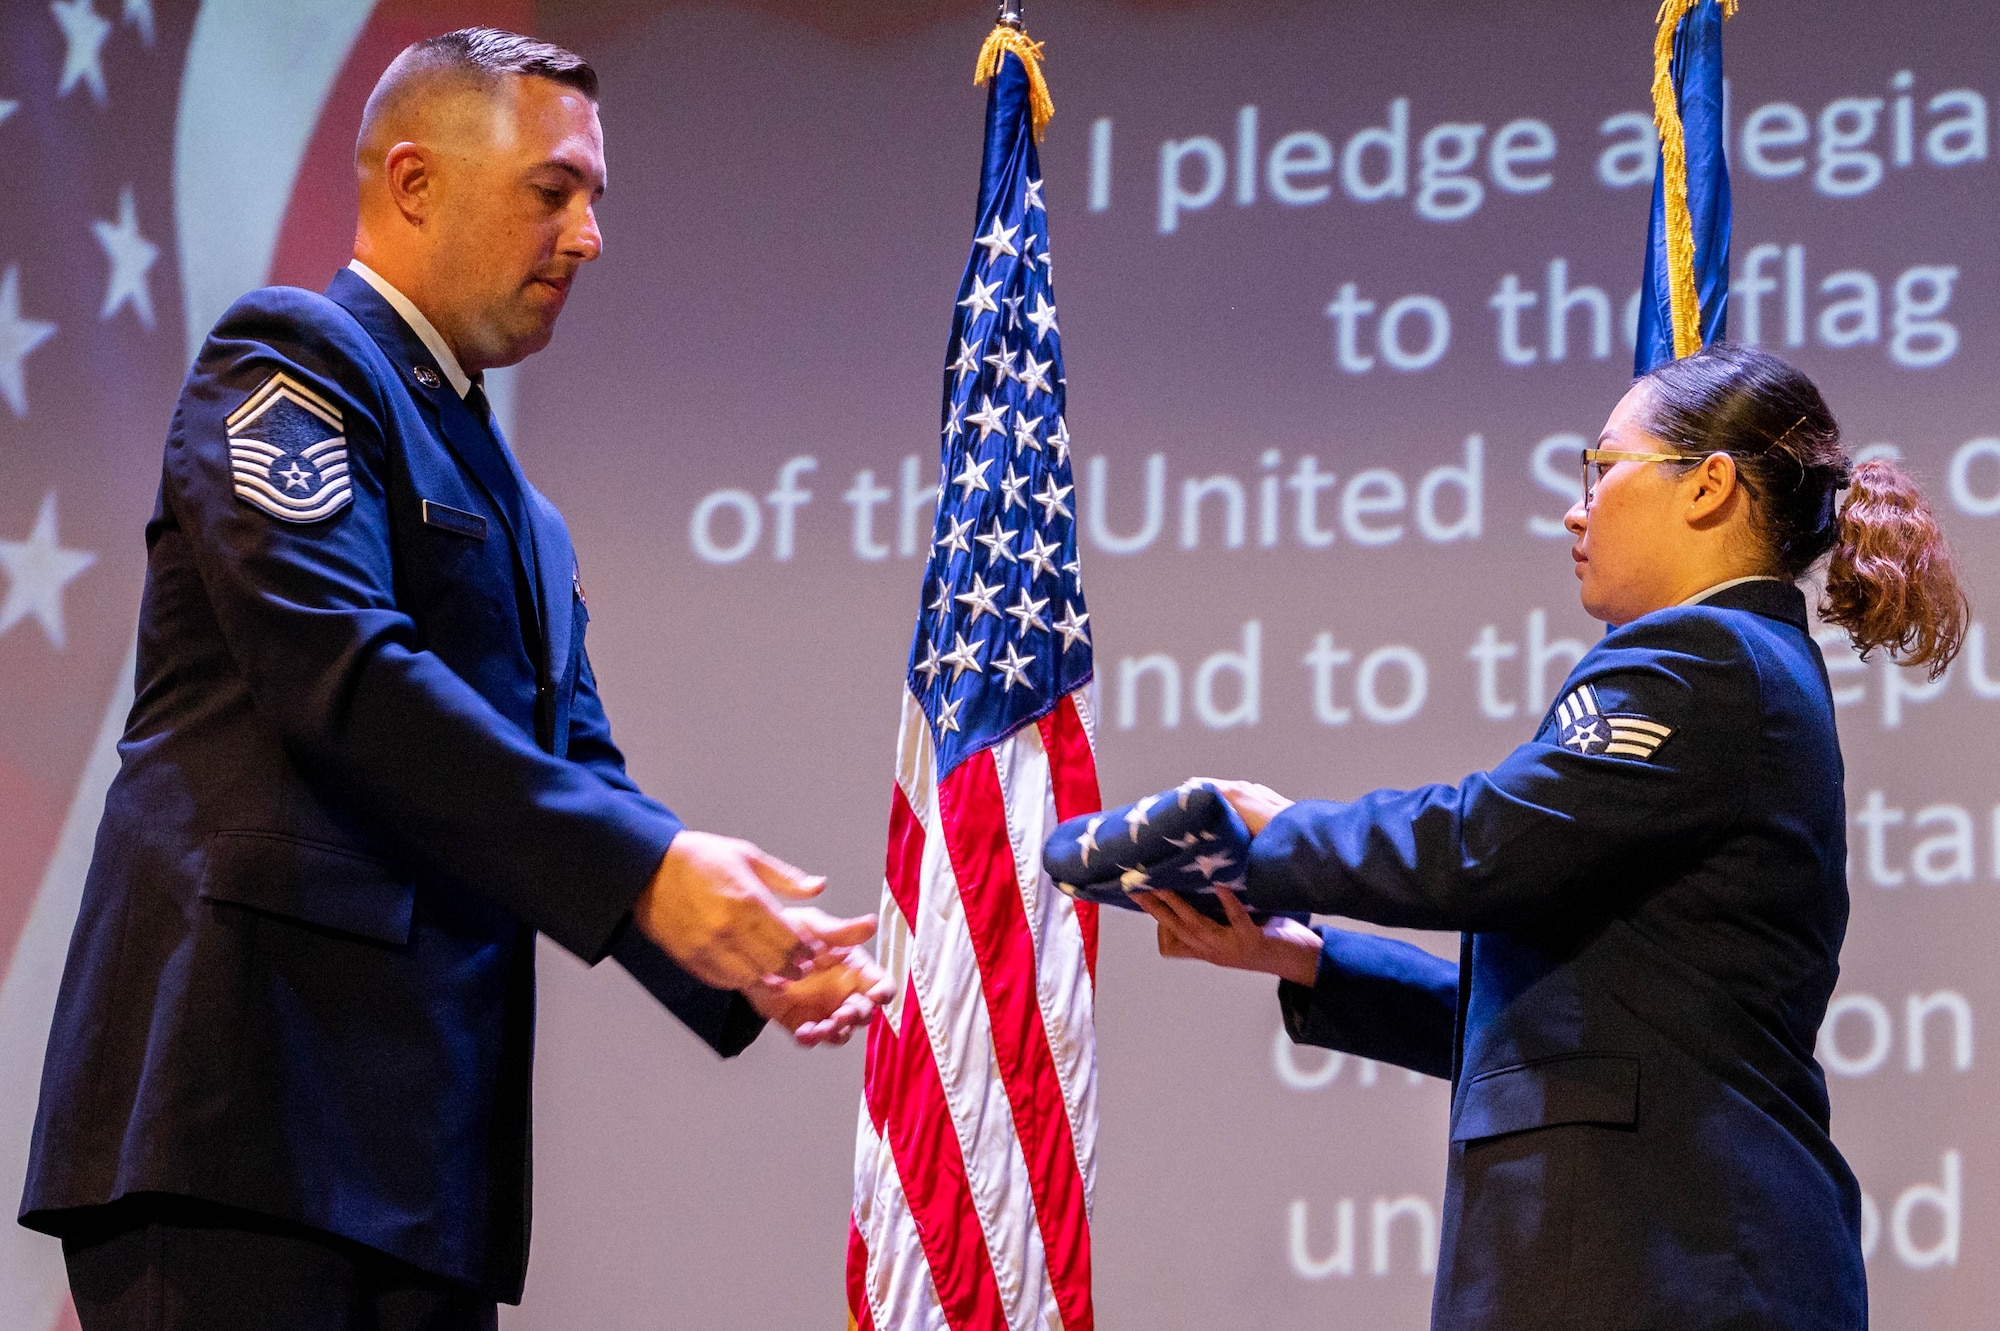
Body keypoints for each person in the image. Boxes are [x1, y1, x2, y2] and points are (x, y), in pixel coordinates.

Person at [18, 28, 889, 1331]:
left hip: (425, 1175)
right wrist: (646, 872)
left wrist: (744, 950)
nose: (589, 236)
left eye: (593, 198)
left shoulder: (527, 517)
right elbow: (344, 677)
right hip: (244, 1125)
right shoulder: (291, 360)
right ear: (415, 183)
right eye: (555, 190)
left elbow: (578, 774)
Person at [1138, 342, 1968, 1330]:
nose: (1576, 508)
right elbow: (1579, 1033)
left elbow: (1481, 841)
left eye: (1601, 466)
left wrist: (1268, 834)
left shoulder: (1698, 657)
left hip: (1668, 1274)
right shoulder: (1738, 662)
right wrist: (1310, 962)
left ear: (1705, 486)